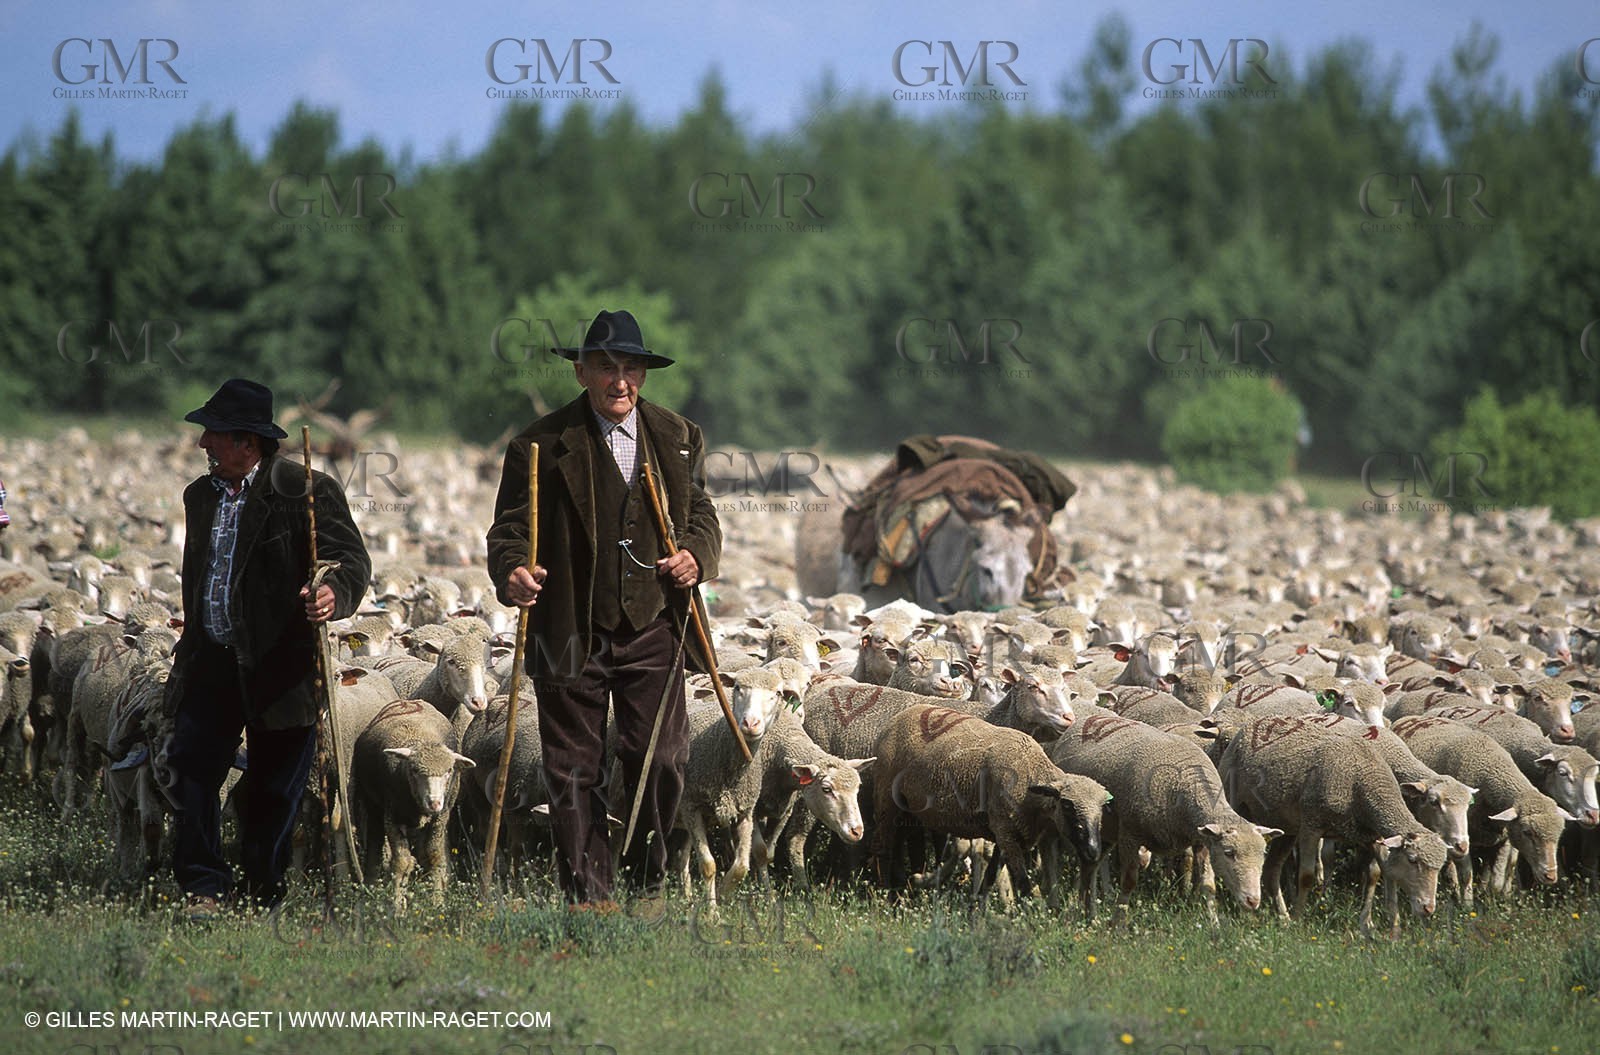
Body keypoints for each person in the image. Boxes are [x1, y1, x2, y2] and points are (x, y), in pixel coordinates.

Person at [486, 309, 721, 907]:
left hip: (655, 622)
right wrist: (513, 572)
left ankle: (646, 878)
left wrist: (695, 555)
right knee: (573, 768)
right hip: (568, 625)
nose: (620, 381)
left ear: (643, 374)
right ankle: (589, 896)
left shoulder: (678, 436)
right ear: (581, 373)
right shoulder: (538, 445)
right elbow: (509, 531)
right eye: (606, 367)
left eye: (631, 368)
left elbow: (701, 512)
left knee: (660, 757)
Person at [165, 379, 371, 920]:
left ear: (248, 442)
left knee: (274, 787)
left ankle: (262, 889)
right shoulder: (200, 496)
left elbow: (351, 561)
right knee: (191, 771)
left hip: (279, 663)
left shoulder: (306, 491)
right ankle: (204, 885)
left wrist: (333, 591)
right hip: (211, 657)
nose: (203, 443)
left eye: (213, 434)